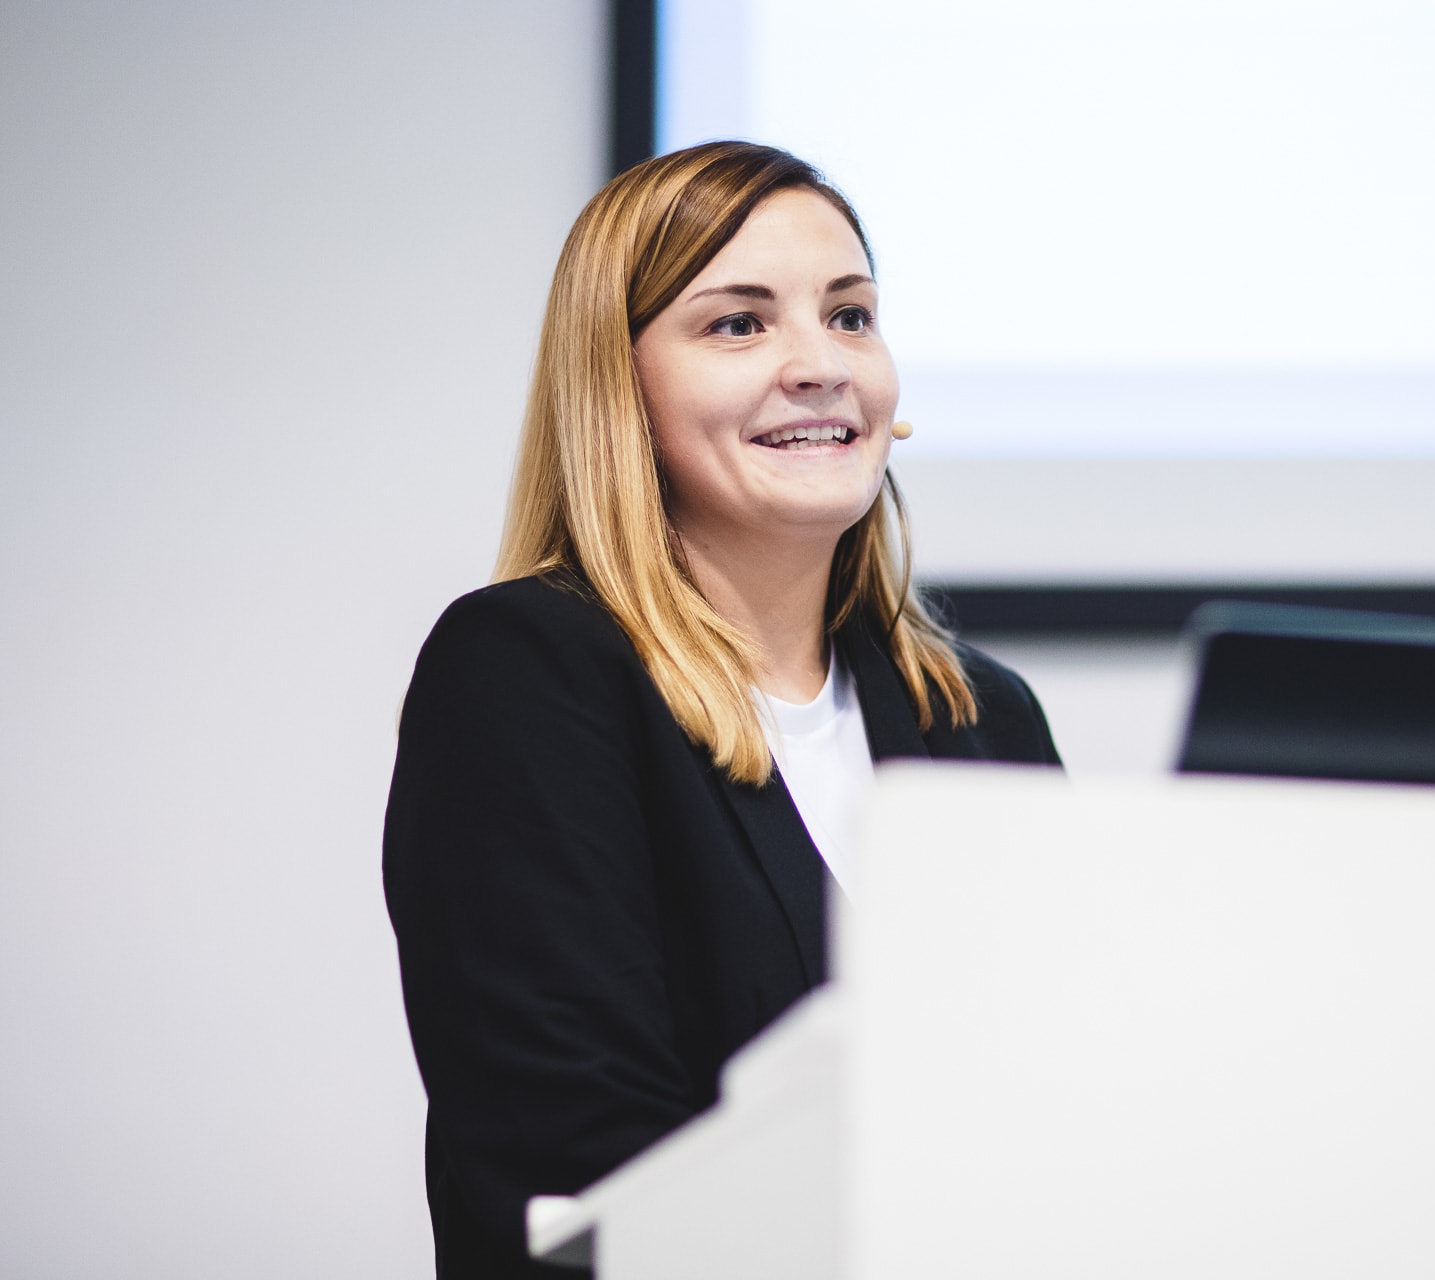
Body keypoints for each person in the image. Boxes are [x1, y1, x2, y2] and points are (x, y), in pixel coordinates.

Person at [382, 141, 1061, 1277]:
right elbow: (574, 1150)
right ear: (621, 391)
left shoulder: (983, 716)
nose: (819, 364)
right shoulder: (524, 673)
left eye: (850, 315)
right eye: (738, 324)